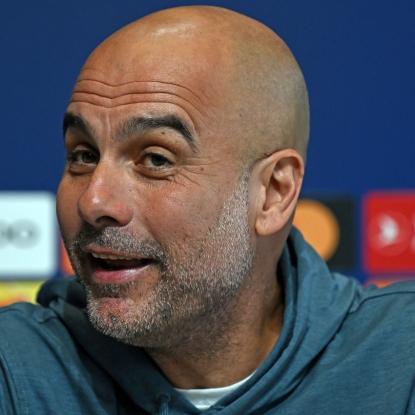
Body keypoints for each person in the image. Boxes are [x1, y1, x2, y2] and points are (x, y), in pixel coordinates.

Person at [1, 5, 415, 414]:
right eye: (83, 155)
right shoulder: (17, 371)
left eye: (156, 159)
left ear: (273, 192)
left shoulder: (402, 360)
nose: (93, 202)